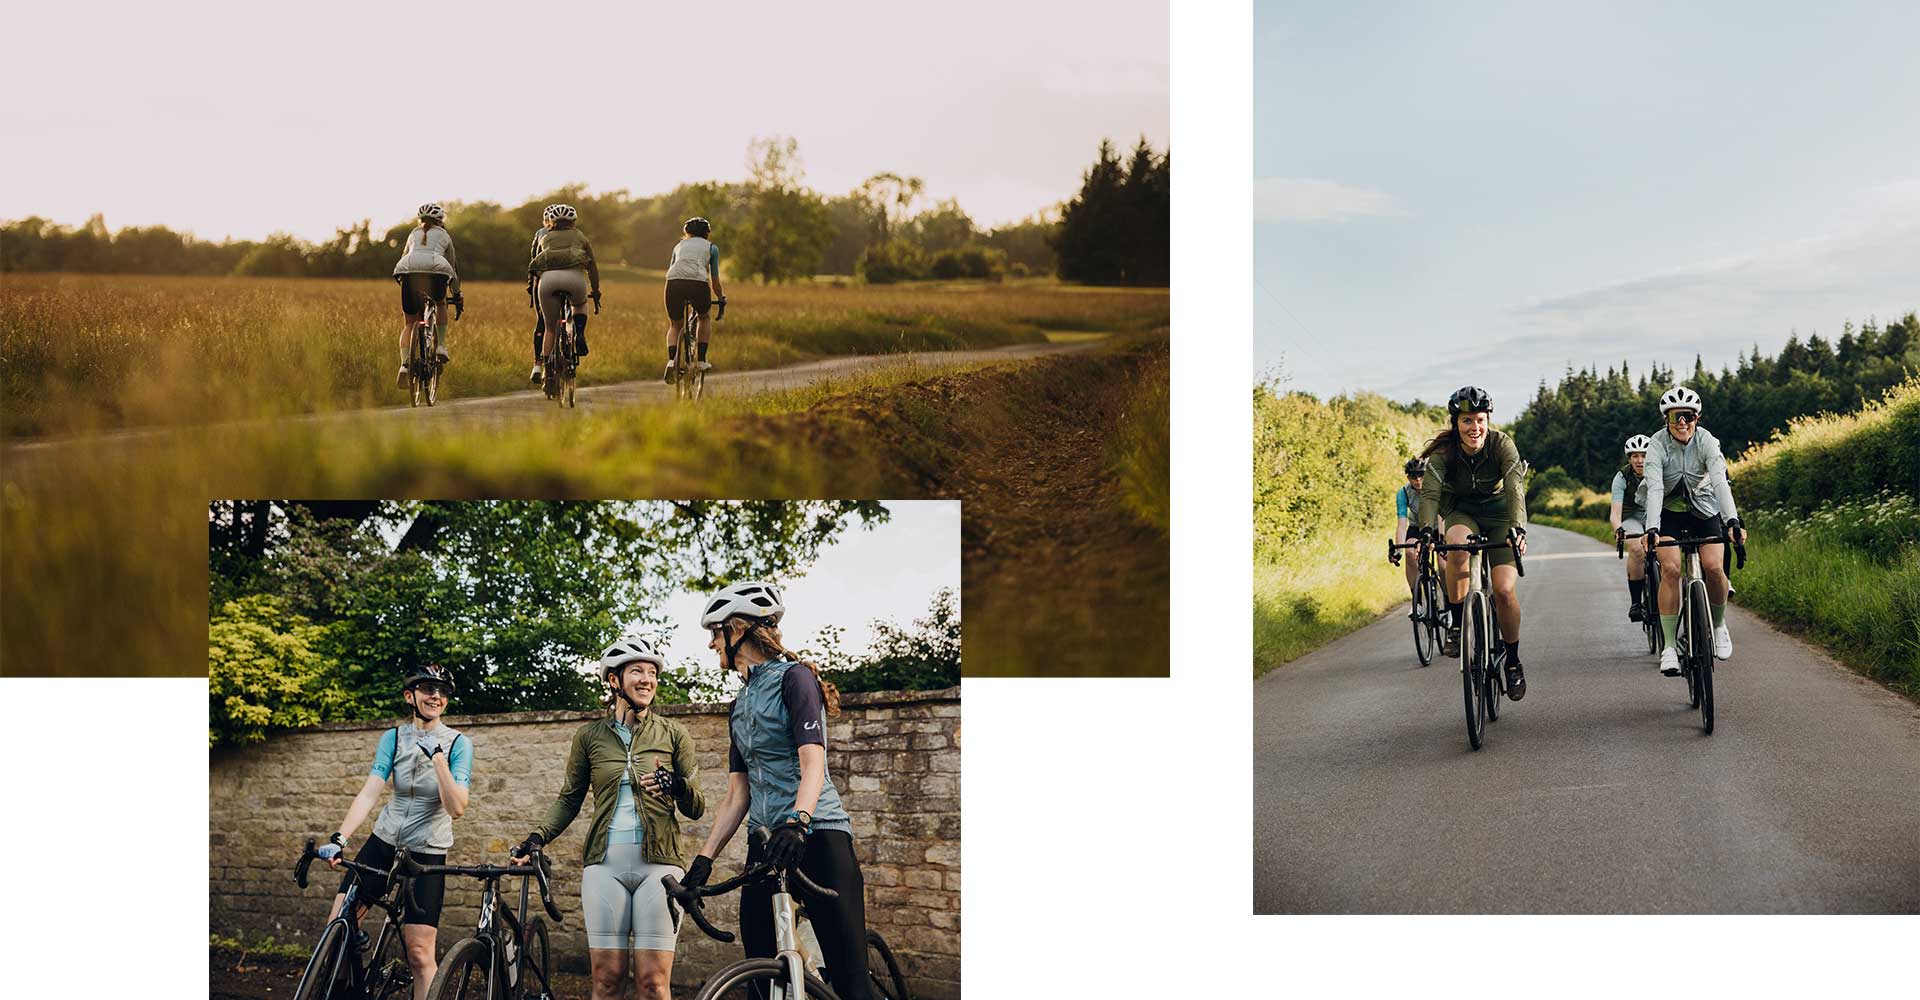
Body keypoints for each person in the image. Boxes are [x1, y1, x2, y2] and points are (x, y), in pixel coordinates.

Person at [675, 582, 873, 1000]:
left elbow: (813, 764)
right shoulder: (740, 704)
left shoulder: (795, 679)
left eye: (715, 633)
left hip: (817, 833)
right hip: (766, 842)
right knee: (762, 979)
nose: (712, 644)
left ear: (738, 629)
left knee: (851, 983)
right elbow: (737, 795)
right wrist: (703, 861)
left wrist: (798, 822)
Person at [513, 629, 704, 1000]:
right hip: (604, 867)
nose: (647, 680)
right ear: (615, 680)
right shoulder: (589, 737)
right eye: (637, 671)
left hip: (660, 868)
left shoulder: (674, 734)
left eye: (652, 673)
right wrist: (536, 836)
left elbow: (696, 808)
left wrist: (677, 785)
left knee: (653, 983)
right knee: (606, 980)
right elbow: (569, 799)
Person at [315, 664, 472, 1000]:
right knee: (338, 922)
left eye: (442, 691)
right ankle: (343, 989)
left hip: (427, 851)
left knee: (419, 952)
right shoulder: (394, 737)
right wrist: (340, 838)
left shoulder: (459, 743)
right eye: (428, 689)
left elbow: (457, 808)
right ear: (410, 695)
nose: (436, 696)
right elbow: (371, 791)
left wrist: (440, 762)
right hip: (384, 841)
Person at [1416, 385, 1531, 699]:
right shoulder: (1444, 453)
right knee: (1455, 547)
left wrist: (1517, 528)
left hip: (1500, 514)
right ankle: (1457, 623)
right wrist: (1426, 530)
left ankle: (1513, 660)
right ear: (1456, 423)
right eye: (1467, 421)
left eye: (1480, 419)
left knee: (1505, 590)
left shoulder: (1502, 444)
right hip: (1462, 512)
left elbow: (1515, 488)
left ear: (1488, 419)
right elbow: (1429, 495)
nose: (1474, 427)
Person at [1638, 385, 1746, 675]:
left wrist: (1733, 521)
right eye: (1676, 417)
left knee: (1713, 567)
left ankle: (1720, 624)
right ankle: (1670, 647)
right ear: (1667, 421)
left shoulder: (1708, 442)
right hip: (1668, 513)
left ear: (1696, 418)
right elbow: (1656, 488)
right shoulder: (1657, 445)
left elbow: (1720, 482)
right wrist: (1651, 528)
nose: (1682, 422)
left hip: (1704, 509)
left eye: (1687, 416)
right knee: (1671, 570)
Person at [391, 203, 464, 387]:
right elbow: (453, 268)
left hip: (408, 271)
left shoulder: (413, 234)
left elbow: (404, 256)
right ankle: (440, 346)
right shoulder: (445, 235)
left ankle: (405, 365)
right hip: (436, 271)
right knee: (440, 304)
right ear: (440, 221)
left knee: (409, 323)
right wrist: (457, 293)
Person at [528, 204, 600, 373]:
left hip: (548, 281)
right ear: (573, 222)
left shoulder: (544, 238)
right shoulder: (580, 236)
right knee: (580, 305)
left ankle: (546, 370)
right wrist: (596, 291)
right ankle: (579, 333)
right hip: (574, 279)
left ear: (551, 222)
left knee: (550, 328)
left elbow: (536, 265)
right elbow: (592, 266)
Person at [662, 217, 726, 383]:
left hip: (673, 282)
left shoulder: (678, 246)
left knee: (675, 324)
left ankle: (671, 360)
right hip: (698, 283)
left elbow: (672, 268)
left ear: (686, 232)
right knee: (704, 317)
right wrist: (720, 298)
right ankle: (701, 360)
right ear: (707, 234)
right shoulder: (712, 248)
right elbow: (715, 280)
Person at [1610, 434, 1655, 622]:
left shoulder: (1659, 470)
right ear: (1629, 458)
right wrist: (1619, 529)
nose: (1640, 460)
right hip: (1632, 518)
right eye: (1635, 456)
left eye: (1644, 455)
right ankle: (1636, 602)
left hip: (1656, 516)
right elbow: (1615, 513)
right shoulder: (1621, 477)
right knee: (1637, 549)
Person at [1389, 457, 1438, 620]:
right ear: (1408, 477)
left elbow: (1442, 515)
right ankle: (1417, 601)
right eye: (1413, 476)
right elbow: (1402, 523)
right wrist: (1398, 549)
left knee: (1445, 565)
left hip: (1437, 526)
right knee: (1410, 554)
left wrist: (1443, 538)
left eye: (1421, 475)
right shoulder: (1403, 493)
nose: (1417, 480)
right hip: (1417, 527)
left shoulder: (1436, 487)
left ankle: (1452, 606)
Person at [528, 204, 558, 383]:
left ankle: (538, 364)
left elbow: (533, 262)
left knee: (543, 322)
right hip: (570, 280)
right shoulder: (573, 234)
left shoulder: (540, 233)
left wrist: (531, 287)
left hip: (542, 282)